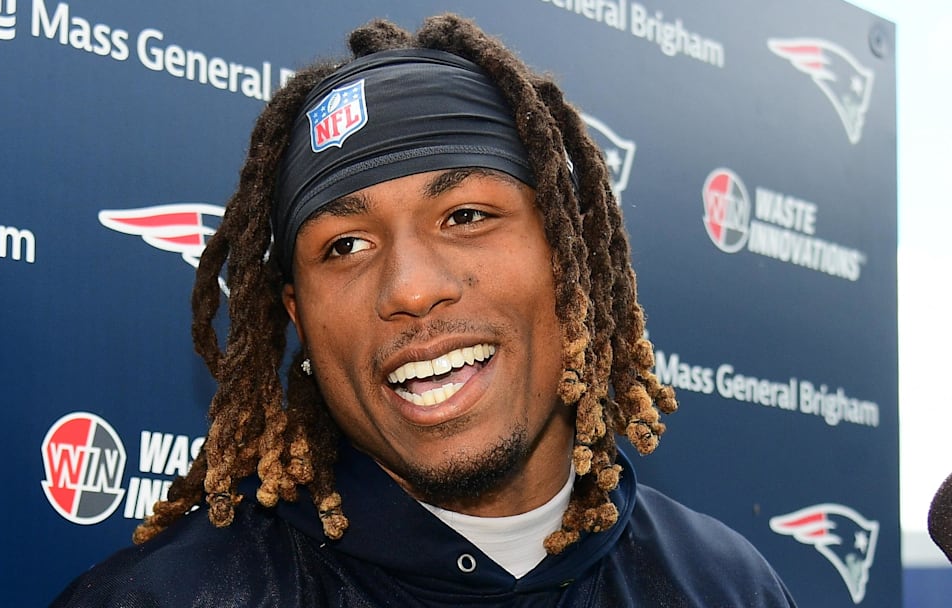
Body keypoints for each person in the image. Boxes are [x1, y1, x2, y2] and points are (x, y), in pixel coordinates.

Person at [52, 14, 796, 607]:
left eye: (467, 216)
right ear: (298, 316)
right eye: (344, 245)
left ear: (570, 264)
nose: (409, 288)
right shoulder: (165, 599)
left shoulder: (724, 587)